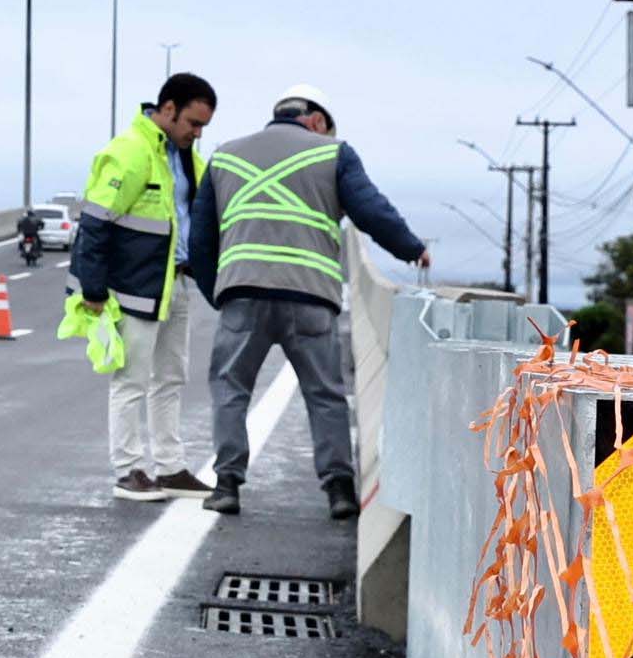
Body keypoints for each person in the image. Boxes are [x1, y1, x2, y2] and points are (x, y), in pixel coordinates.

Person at [198, 85, 429, 522]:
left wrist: (220, 292)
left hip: (243, 294)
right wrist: (412, 249)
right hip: (310, 297)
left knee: (230, 390)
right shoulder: (333, 153)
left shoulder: (224, 155)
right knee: (325, 395)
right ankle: (340, 491)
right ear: (318, 121)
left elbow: (202, 235)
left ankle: (227, 484)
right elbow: (371, 211)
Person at [72, 74, 216, 501]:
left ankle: (170, 468)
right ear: (167, 109)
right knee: (131, 379)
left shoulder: (188, 158)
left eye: (203, 126)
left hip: (175, 283)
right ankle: (128, 469)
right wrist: (93, 290)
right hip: (133, 287)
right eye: (193, 122)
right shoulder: (130, 152)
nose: (197, 133)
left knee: (171, 378)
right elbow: (95, 222)